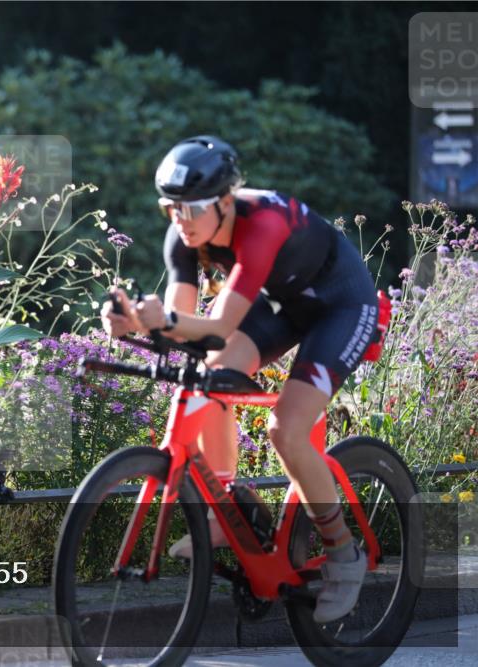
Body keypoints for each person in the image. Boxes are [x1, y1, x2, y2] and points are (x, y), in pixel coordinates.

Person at [101, 135, 379, 624]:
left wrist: (158, 320)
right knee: (212, 377)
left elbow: (219, 325)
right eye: (171, 209)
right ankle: (225, 511)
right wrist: (135, 322)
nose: (181, 221)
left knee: (285, 431)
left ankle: (343, 553)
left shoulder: (262, 225)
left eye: (192, 209)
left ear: (226, 202)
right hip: (284, 305)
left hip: (340, 304)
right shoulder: (183, 237)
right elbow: (185, 328)